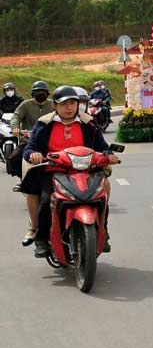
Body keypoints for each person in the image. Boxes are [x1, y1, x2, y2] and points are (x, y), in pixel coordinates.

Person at [23, 85, 118, 258]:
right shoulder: (44, 123)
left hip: (86, 170)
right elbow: (30, 147)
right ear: (55, 106)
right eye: (64, 104)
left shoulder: (88, 122)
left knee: (101, 195)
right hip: (54, 170)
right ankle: (42, 239)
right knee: (46, 199)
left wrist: (109, 155)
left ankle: (103, 232)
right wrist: (34, 154)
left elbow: (102, 146)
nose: (69, 107)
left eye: (73, 103)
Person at [10, 81, 54, 245]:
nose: (40, 94)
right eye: (37, 92)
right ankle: (34, 227)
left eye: (43, 92)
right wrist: (15, 128)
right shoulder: (26, 105)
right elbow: (16, 117)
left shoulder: (54, 107)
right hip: (30, 143)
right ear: (32, 94)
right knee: (18, 157)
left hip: (52, 146)